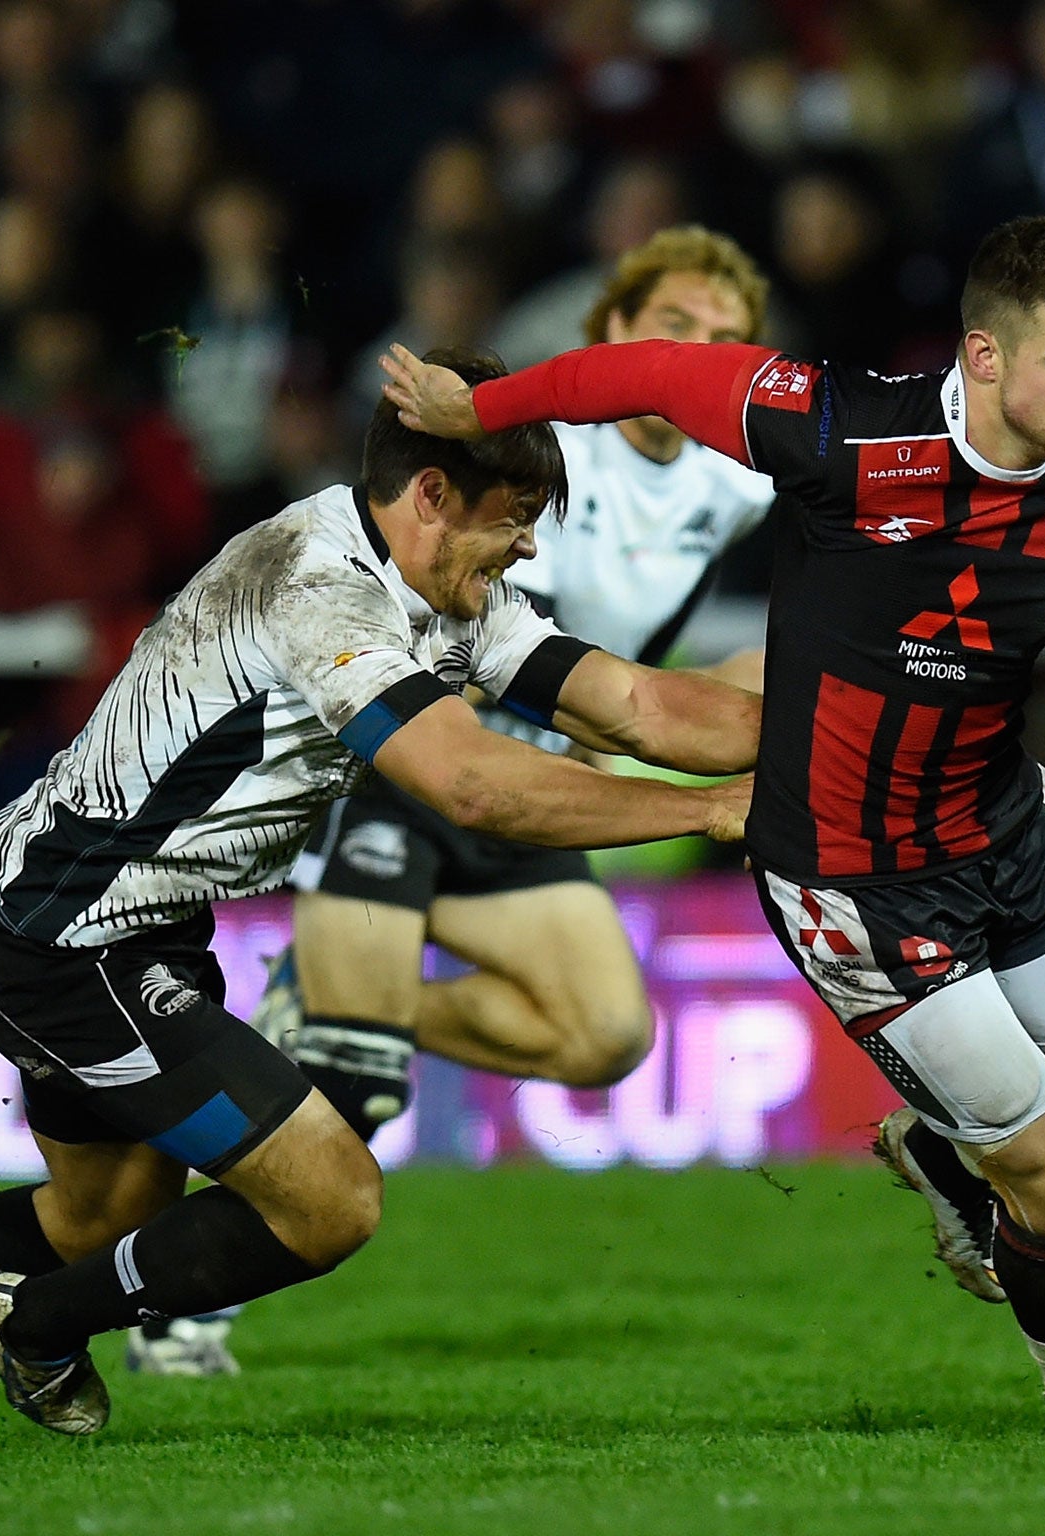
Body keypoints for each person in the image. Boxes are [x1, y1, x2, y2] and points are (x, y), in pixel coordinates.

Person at [378, 216, 1045, 1436]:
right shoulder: (842, 428)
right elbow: (652, 370)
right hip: (854, 879)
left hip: (1008, 829)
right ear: (983, 356)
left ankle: (940, 1137)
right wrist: (485, 405)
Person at [0, 349, 759, 1443]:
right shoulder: (316, 585)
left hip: (115, 924)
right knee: (330, 1198)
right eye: (516, 514)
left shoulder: (445, 596)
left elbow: (635, 706)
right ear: (430, 496)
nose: (530, 542)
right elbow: (472, 786)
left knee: (96, 1219)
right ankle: (36, 1328)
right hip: (62, 938)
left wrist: (832, 719)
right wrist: (712, 811)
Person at [128, 227, 777, 1378]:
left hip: (536, 778)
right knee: (357, 1088)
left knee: (603, 1035)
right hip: (413, 759)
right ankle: (175, 1311)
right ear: (612, 334)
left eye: (727, 338)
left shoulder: (737, 481)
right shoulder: (540, 447)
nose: (700, 352)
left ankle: (326, 1009)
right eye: (675, 326)